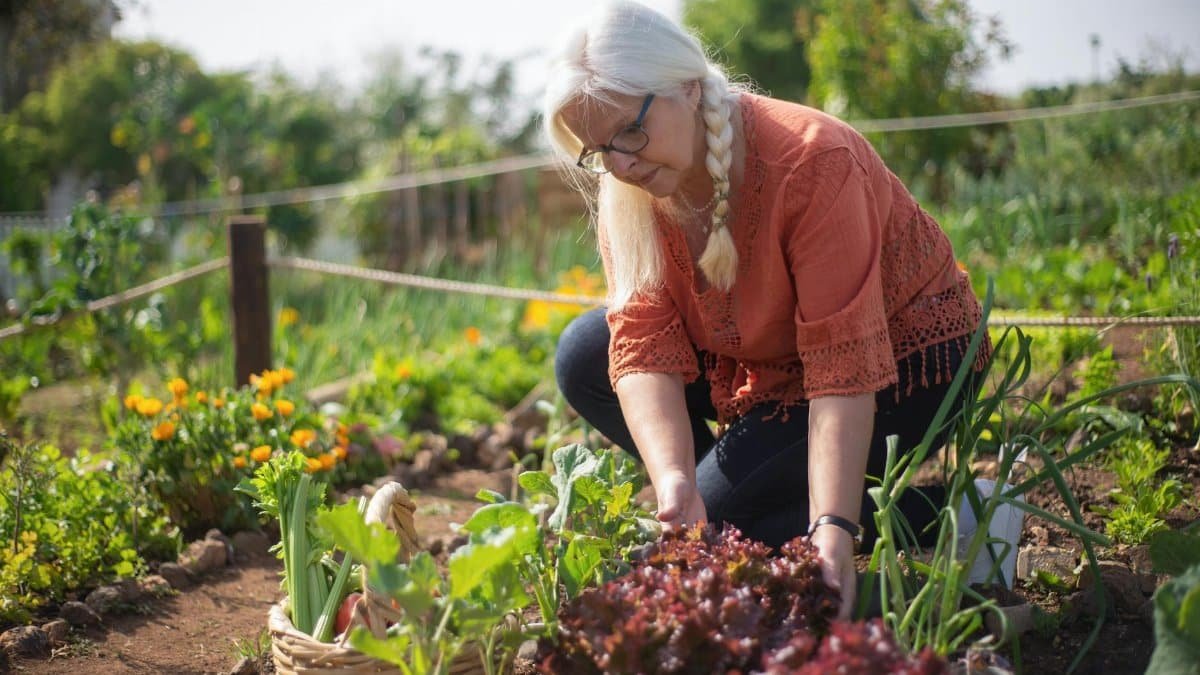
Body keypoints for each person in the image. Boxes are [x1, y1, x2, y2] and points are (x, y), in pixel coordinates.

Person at [543, 0, 1000, 618]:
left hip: (905, 363)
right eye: (598, 150)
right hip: (770, 362)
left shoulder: (813, 161)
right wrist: (675, 481)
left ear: (684, 86)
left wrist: (833, 526)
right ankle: (741, 497)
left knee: (731, 523)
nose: (620, 164)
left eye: (629, 131)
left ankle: (964, 509)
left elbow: (843, 370)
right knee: (583, 354)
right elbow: (643, 342)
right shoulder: (633, 188)